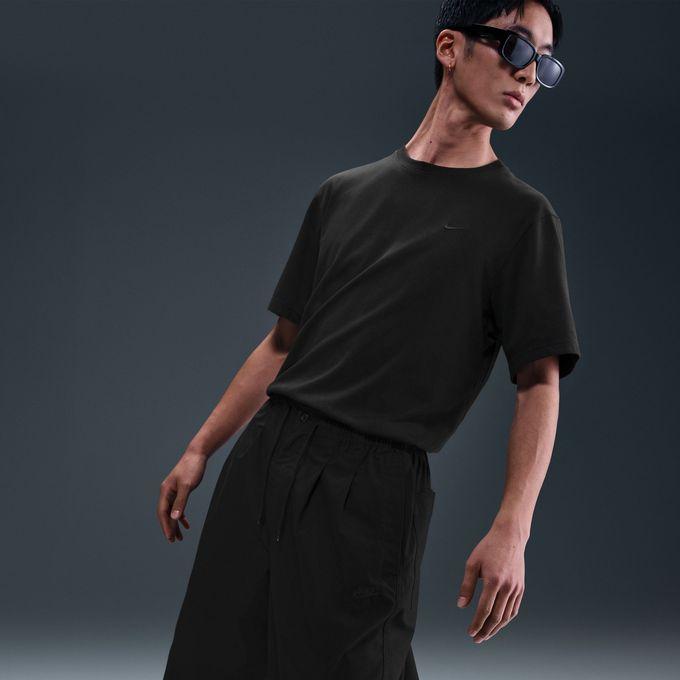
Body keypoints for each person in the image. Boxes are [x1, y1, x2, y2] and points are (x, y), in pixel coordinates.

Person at [158, 0, 581, 677]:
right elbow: (282, 345)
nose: (530, 74)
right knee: (216, 664)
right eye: (516, 47)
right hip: (265, 460)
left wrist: (513, 527)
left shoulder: (523, 219)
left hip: (373, 488)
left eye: (546, 62)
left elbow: (539, 382)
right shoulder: (343, 195)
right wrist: (200, 448)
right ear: (450, 47)